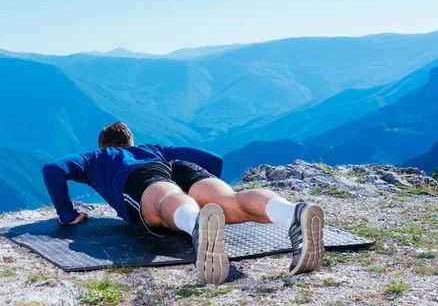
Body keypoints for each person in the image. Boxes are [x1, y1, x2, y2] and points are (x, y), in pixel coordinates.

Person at [42, 122, 325, 285]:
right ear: (131, 141)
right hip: (178, 165)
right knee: (229, 200)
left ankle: (195, 222)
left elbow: (53, 169)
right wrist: (206, 194)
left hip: (139, 178)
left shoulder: (94, 158)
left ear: (103, 145)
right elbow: (214, 159)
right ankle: (292, 212)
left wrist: (67, 214)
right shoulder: (154, 148)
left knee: (165, 201)